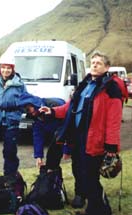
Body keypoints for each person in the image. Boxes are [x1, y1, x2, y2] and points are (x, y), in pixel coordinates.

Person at [39, 51, 124, 215]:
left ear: (107, 67)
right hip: (78, 138)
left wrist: (111, 146)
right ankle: (95, 208)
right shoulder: (84, 85)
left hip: (95, 140)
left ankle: (101, 210)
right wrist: (52, 111)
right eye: (92, 62)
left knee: (91, 177)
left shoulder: (111, 88)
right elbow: (69, 108)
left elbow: (114, 120)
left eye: (99, 63)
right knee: (80, 172)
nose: (94, 65)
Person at [19, 92, 86, 208]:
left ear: (34, 104)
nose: (31, 113)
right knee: (51, 163)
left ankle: (80, 194)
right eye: (28, 111)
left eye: (31, 109)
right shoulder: (35, 117)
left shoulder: (55, 104)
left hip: (73, 135)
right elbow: (37, 135)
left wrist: (67, 149)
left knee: (78, 165)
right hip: (57, 137)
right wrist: (38, 156)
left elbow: (68, 126)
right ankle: (53, 189)